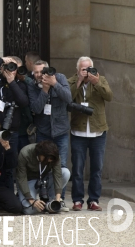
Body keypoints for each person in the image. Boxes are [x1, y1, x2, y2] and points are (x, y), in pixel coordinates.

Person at [68, 56, 113, 212]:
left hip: (98, 132)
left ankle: (93, 200)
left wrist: (96, 82)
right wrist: (79, 81)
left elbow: (109, 96)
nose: (86, 72)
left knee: (96, 168)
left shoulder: (101, 80)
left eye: (89, 69)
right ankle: (77, 200)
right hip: (78, 132)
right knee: (78, 168)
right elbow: (67, 98)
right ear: (78, 70)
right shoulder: (72, 81)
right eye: (83, 69)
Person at [27, 60, 72, 211]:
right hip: (43, 132)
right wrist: (44, 90)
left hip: (60, 131)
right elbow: (36, 108)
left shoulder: (60, 78)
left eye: (42, 71)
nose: (39, 75)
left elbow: (68, 98)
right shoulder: (32, 85)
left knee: (62, 166)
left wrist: (54, 84)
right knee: (43, 166)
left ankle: (60, 199)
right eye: (36, 72)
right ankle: (45, 198)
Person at [0, 56, 28, 183]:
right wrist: (0, 60)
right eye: (10, 66)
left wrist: (12, 82)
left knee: (9, 167)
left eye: (14, 68)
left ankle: (7, 194)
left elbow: (23, 102)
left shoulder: (20, 85)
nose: (11, 70)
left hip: (11, 132)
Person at [16, 141, 70, 215]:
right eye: (48, 158)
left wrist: (57, 200)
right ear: (40, 154)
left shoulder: (54, 156)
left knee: (65, 173)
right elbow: (21, 178)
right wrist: (32, 200)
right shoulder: (25, 153)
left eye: (51, 159)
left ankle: (50, 201)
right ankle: (22, 195)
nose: (49, 160)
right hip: (29, 181)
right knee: (30, 210)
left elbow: (58, 176)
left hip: (45, 179)